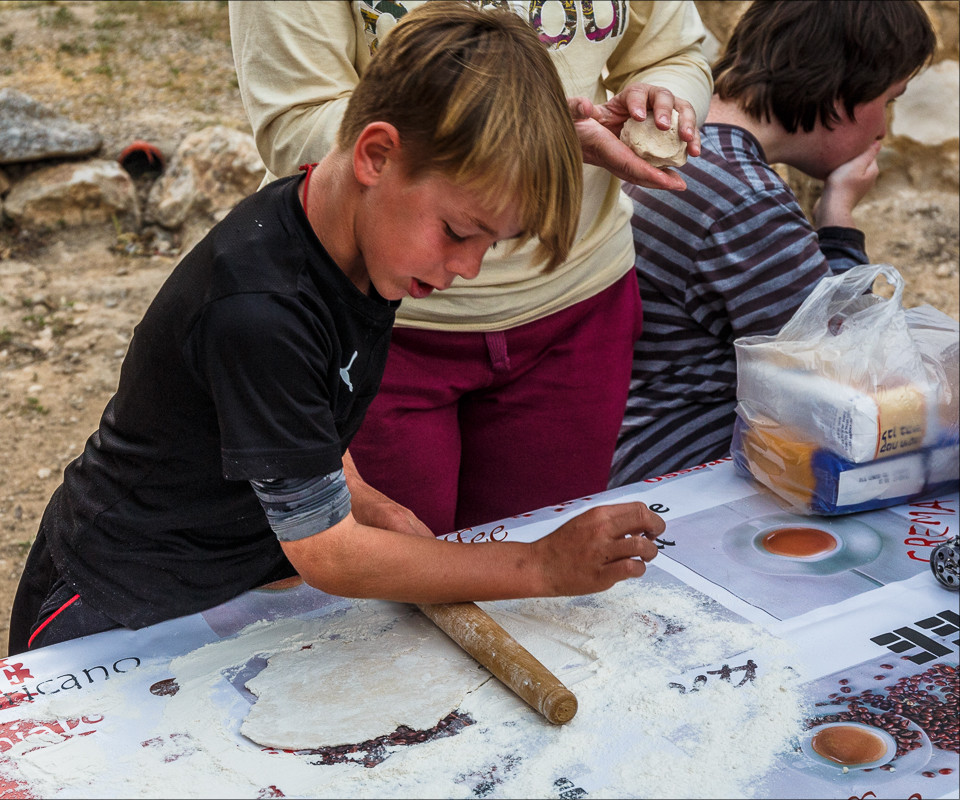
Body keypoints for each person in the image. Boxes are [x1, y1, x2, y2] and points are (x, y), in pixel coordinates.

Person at [9, 2, 665, 655]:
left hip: (224, 581)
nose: (466, 268)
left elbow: (311, 401)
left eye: (492, 244)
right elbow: (329, 553)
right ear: (376, 155)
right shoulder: (261, 311)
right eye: (459, 233)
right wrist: (538, 567)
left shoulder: (353, 242)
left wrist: (359, 494)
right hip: (115, 604)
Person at [230, 0, 713, 537]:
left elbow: (673, 52)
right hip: (377, 324)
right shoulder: (249, 317)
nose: (468, 266)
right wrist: (533, 140)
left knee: (533, 589)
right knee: (389, 607)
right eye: (460, 233)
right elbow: (295, 122)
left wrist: (664, 103)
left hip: (576, 312)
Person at [609, 0, 937, 488]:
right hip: (676, 474)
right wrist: (839, 222)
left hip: (623, 444)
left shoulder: (693, 150)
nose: (884, 129)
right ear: (842, 89)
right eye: (888, 100)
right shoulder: (738, 196)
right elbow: (852, 373)